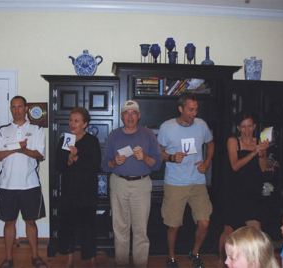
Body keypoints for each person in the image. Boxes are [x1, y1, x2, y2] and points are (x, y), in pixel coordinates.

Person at [102, 100, 163, 267]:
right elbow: (104, 165)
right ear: (121, 116)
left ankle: (140, 265)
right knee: (120, 229)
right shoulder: (114, 135)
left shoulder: (149, 134)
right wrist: (114, 161)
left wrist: (144, 157)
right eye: (126, 113)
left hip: (141, 185)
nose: (130, 117)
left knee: (140, 231)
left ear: (139, 116)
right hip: (118, 183)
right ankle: (121, 264)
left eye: (133, 113)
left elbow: (157, 164)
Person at [157, 92, 214, 268]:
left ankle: (195, 253)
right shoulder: (167, 127)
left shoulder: (201, 125)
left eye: (196, 110)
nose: (194, 113)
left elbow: (210, 144)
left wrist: (206, 163)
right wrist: (172, 158)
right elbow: (159, 152)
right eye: (190, 109)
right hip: (175, 183)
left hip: (197, 182)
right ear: (181, 108)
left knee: (204, 223)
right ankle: (171, 257)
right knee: (173, 226)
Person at [0, 96, 47, 268]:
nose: (16, 110)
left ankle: (35, 257)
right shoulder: (2, 130)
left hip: (30, 184)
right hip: (7, 185)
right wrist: (12, 149)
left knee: (31, 222)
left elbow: (40, 155)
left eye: (19, 107)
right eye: (13, 107)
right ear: (10, 109)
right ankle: (8, 258)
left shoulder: (36, 129)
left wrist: (24, 150)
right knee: (9, 223)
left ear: (26, 108)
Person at [218, 112, 269, 267]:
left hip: (252, 193)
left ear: (254, 127)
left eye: (250, 126)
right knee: (229, 231)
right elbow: (235, 166)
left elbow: (263, 168)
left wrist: (261, 152)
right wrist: (254, 152)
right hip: (233, 193)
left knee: (256, 233)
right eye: (243, 126)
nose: (247, 130)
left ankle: (256, 264)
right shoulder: (233, 141)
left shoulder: (260, 142)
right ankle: (222, 263)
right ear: (238, 127)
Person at [55, 107, 101, 268]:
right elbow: (57, 165)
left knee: (88, 228)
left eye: (76, 120)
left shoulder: (91, 141)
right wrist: (68, 159)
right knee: (67, 227)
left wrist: (77, 158)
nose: (72, 123)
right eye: (70, 120)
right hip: (69, 192)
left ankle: (92, 261)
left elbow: (96, 166)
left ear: (84, 124)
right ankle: (69, 261)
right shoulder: (64, 140)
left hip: (87, 193)